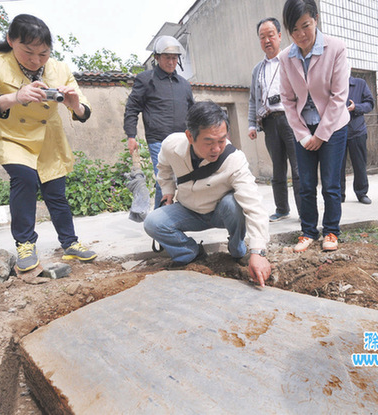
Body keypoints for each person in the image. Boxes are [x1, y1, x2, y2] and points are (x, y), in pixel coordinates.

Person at [0, 14, 97, 272]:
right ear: (10, 41)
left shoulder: (59, 69)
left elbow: (84, 111)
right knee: (24, 179)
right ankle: (25, 244)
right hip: (9, 136)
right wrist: (16, 97)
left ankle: (70, 243)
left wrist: (75, 105)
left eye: (43, 54)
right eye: (28, 52)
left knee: (55, 192)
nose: (36, 60)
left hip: (48, 139)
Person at [144, 101, 272, 287]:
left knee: (233, 204)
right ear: (190, 136)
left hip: (222, 212)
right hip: (188, 211)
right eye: (209, 142)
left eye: (221, 140)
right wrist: (168, 191)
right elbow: (163, 167)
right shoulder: (171, 145)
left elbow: (254, 206)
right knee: (153, 222)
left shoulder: (234, 160)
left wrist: (258, 251)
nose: (216, 149)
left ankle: (237, 248)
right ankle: (190, 253)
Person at [279, 0, 350, 253]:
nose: (301, 35)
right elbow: (287, 100)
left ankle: (331, 231)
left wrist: (321, 134)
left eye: (305, 26)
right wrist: (302, 135)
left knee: (331, 184)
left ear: (316, 19)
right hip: (303, 129)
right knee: (306, 184)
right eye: (294, 29)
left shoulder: (336, 48)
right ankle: (308, 231)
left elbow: (339, 97)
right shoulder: (285, 57)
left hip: (333, 127)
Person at [123, 35, 195, 209]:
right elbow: (132, 108)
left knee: (182, 180)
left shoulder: (184, 84)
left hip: (182, 139)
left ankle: (164, 217)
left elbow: (193, 111)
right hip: (158, 140)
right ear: (157, 57)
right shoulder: (145, 80)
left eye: (174, 58)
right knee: (164, 180)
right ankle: (161, 220)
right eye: (167, 57)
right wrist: (131, 136)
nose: (171, 62)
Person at [248, 17, 301, 222]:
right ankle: (282, 209)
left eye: (270, 35)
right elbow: (253, 99)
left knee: (298, 168)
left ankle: (304, 211)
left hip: (290, 119)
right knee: (277, 169)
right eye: (262, 37)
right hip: (269, 122)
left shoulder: (291, 59)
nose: (267, 40)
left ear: (279, 36)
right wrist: (252, 124)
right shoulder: (257, 69)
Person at [340, 77, 374, 205]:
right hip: (337, 131)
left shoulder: (360, 84)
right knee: (337, 166)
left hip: (357, 130)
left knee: (360, 165)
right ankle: (339, 194)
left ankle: (362, 193)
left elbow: (370, 104)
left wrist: (356, 107)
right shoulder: (333, 83)